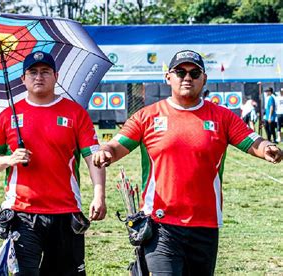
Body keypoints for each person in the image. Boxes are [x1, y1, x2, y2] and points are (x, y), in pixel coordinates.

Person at [92, 50, 282, 275]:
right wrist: (105, 152)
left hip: (206, 225)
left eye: (194, 72)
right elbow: (115, 145)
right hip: (160, 224)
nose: (187, 77)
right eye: (180, 72)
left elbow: (253, 141)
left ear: (204, 79)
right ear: (168, 77)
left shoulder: (223, 117)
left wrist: (267, 148)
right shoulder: (147, 116)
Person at [0, 51, 106, 275]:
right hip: (21, 213)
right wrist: (9, 159)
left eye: (45, 72)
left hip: (66, 211)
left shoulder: (75, 113)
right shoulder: (8, 115)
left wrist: (99, 195)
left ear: (56, 76)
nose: (39, 77)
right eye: (33, 72)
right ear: (23, 79)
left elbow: (93, 158)